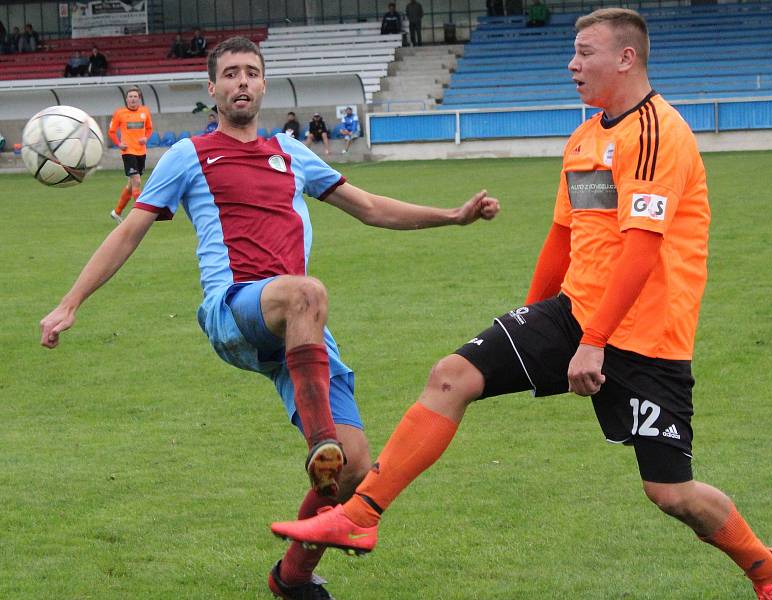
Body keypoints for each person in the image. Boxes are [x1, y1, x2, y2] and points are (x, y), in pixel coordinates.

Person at [271, 9, 772, 599]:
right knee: (453, 375)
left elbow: (641, 251)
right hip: (573, 313)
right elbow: (564, 237)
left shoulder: (656, 134)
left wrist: (594, 342)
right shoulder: (585, 139)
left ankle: (768, 569)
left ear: (626, 58)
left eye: (584, 53)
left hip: (646, 338)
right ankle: (362, 514)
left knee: (672, 494)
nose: (572, 65)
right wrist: (524, 328)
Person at [39, 36, 499, 600]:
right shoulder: (188, 155)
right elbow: (130, 230)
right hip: (235, 309)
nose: (240, 82)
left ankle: (293, 576)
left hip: (299, 327)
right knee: (306, 293)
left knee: (355, 468)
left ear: (262, 85)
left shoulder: (291, 152)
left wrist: (453, 216)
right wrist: (69, 303)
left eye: (250, 73)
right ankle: (318, 442)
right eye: (229, 74)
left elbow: (373, 208)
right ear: (212, 89)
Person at [107, 87, 154, 224]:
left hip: (141, 152)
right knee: (137, 181)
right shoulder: (120, 113)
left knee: (131, 184)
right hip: (128, 152)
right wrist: (119, 144)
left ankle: (116, 212)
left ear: (139, 99)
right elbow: (112, 131)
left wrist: (146, 138)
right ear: (126, 99)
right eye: (130, 97)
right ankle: (140, 216)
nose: (133, 99)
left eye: (135, 96)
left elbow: (149, 128)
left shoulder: (145, 112)